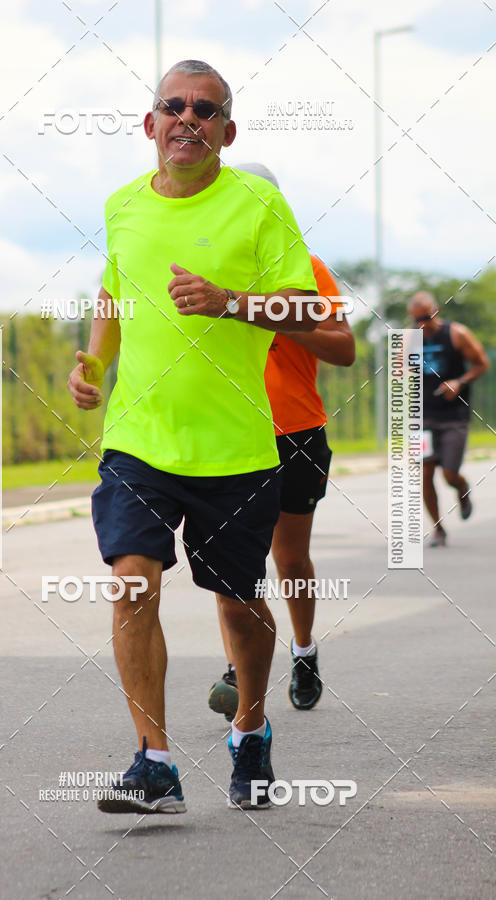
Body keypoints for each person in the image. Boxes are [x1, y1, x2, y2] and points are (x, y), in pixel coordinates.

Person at [67, 60, 320, 812]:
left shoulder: (259, 205)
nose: (188, 119)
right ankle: (155, 760)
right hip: (140, 439)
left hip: (236, 449)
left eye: (206, 111)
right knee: (131, 582)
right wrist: (95, 361)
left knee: (239, 603)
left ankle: (249, 728)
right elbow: (114, 291)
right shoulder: (121, 206)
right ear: (150, 124)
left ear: (226, 132)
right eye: (173, 106)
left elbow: (307, 314)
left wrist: (230, 301)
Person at [207, 165, 355, 723]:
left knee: (287, 555)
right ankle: (235, 668)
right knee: (231, 563)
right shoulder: (205, 271)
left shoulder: (307, 270)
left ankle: (303, 648)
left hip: (295, 433)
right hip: (225, 436)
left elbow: (343, 349)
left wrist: (271, 312)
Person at [407, 291, 489, 547]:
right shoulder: (411, 337)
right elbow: (403, 367)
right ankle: (439, 529)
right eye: (416, 319)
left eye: (425, 317)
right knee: (425, 473)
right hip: (422, 415)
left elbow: (481, 363)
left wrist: (459, 382)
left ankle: (462, 489)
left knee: (449, 474)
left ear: (436, 312)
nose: (422, 323)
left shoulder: (457, 334)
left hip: (454, 415)